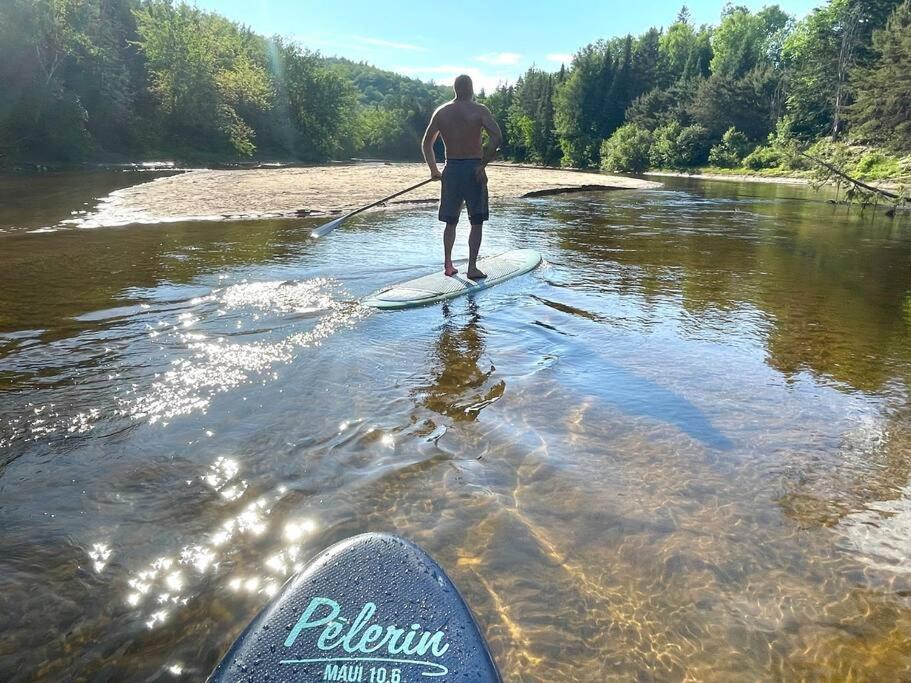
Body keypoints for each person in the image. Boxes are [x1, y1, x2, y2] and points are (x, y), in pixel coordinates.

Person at [421, 75, 502, 279]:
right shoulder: (479, 110)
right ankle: (472, 268)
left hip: (451, 169)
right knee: (476, 221)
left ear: (455, 89)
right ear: (471, 88)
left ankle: (448, 265)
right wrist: (483, 163)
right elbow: (497, 137)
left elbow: (426, 143)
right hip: (474, 168)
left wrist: (433, 169)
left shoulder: (442, 112)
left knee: (451, 222)